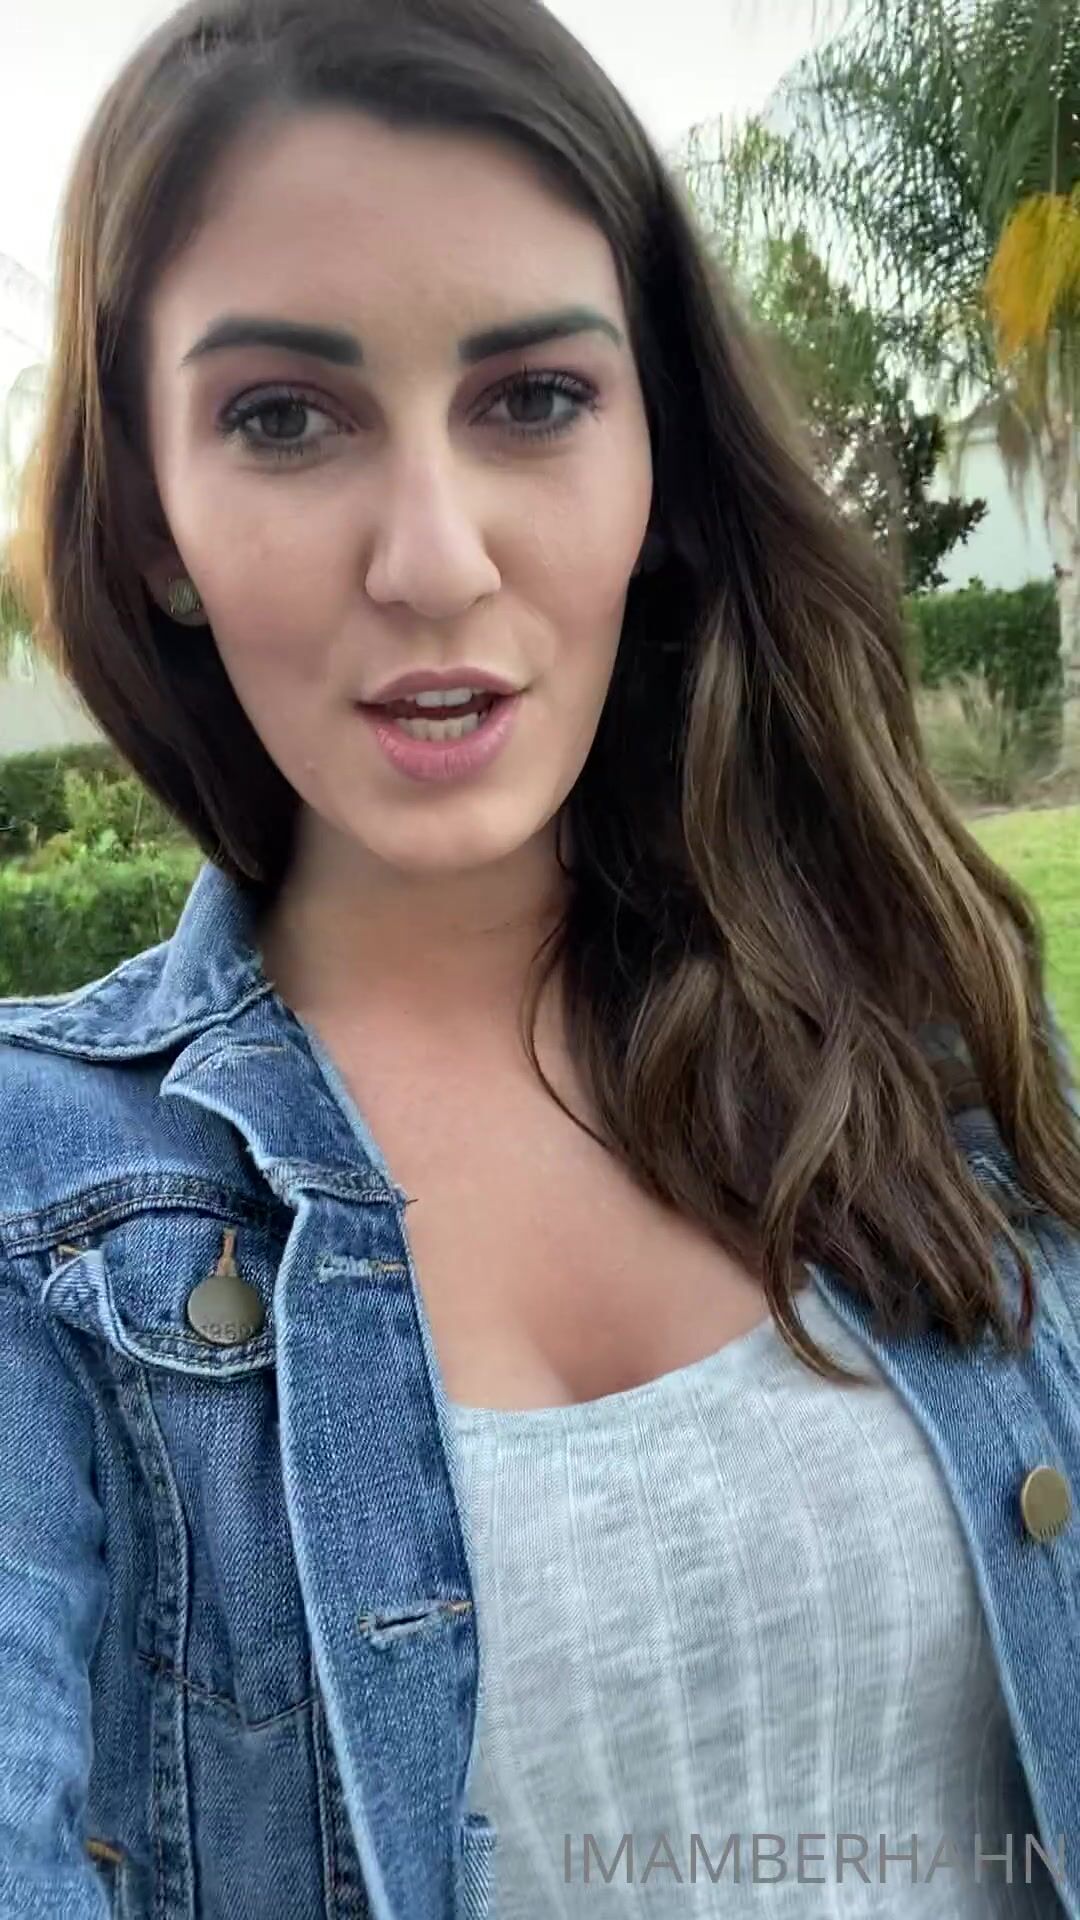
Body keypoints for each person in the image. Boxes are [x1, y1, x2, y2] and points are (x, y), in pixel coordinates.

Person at [1, 0, 1079, 1915]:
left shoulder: (924, 1037)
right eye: (282, 417)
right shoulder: (45, 1208)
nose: (434, 558)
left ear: (661, 462)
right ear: (156, 522)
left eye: (534, 399)